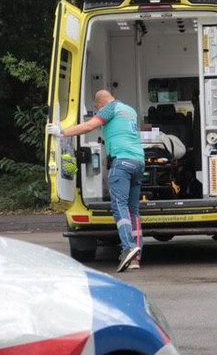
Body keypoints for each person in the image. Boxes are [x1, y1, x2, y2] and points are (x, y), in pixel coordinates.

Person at [48, 90, 145, 272]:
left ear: (100, 104)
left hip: (121, 162)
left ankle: (128, 248)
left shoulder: (110, 108)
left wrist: (62, 132)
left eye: (97, 107)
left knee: (119, 206)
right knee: (134, 211)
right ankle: (136, 258)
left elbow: (88, 126)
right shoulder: (129, 110)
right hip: (139, 162)